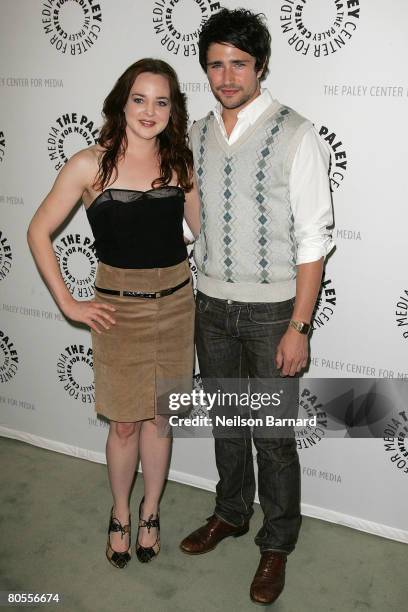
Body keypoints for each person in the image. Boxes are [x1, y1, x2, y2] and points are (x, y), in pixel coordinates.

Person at [179, 8, 334, 605]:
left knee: (271, 435)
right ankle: (230, 513)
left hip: (272, 312)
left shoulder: (297, 133)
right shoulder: (195, 134)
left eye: (238, 63)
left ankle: (277, 543)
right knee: (227, 424)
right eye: (215, 64)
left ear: (260, 65)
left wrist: (299, 326)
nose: (226, 76)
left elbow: (313, 239)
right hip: (210, 304)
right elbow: (198, 222)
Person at [27, 59, 200, 569]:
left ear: (174, 109)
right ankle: (121, 512)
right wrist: (68, 302)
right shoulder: (89, 164)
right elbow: (38, 232)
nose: (150, 111)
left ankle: (151, 512)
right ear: (121, 103)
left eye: (162, 101)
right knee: (125, 424)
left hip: (175, 305)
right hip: (117, 313)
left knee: (161, 420)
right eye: (140, 99)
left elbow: (201, 232)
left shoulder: (180, 163)